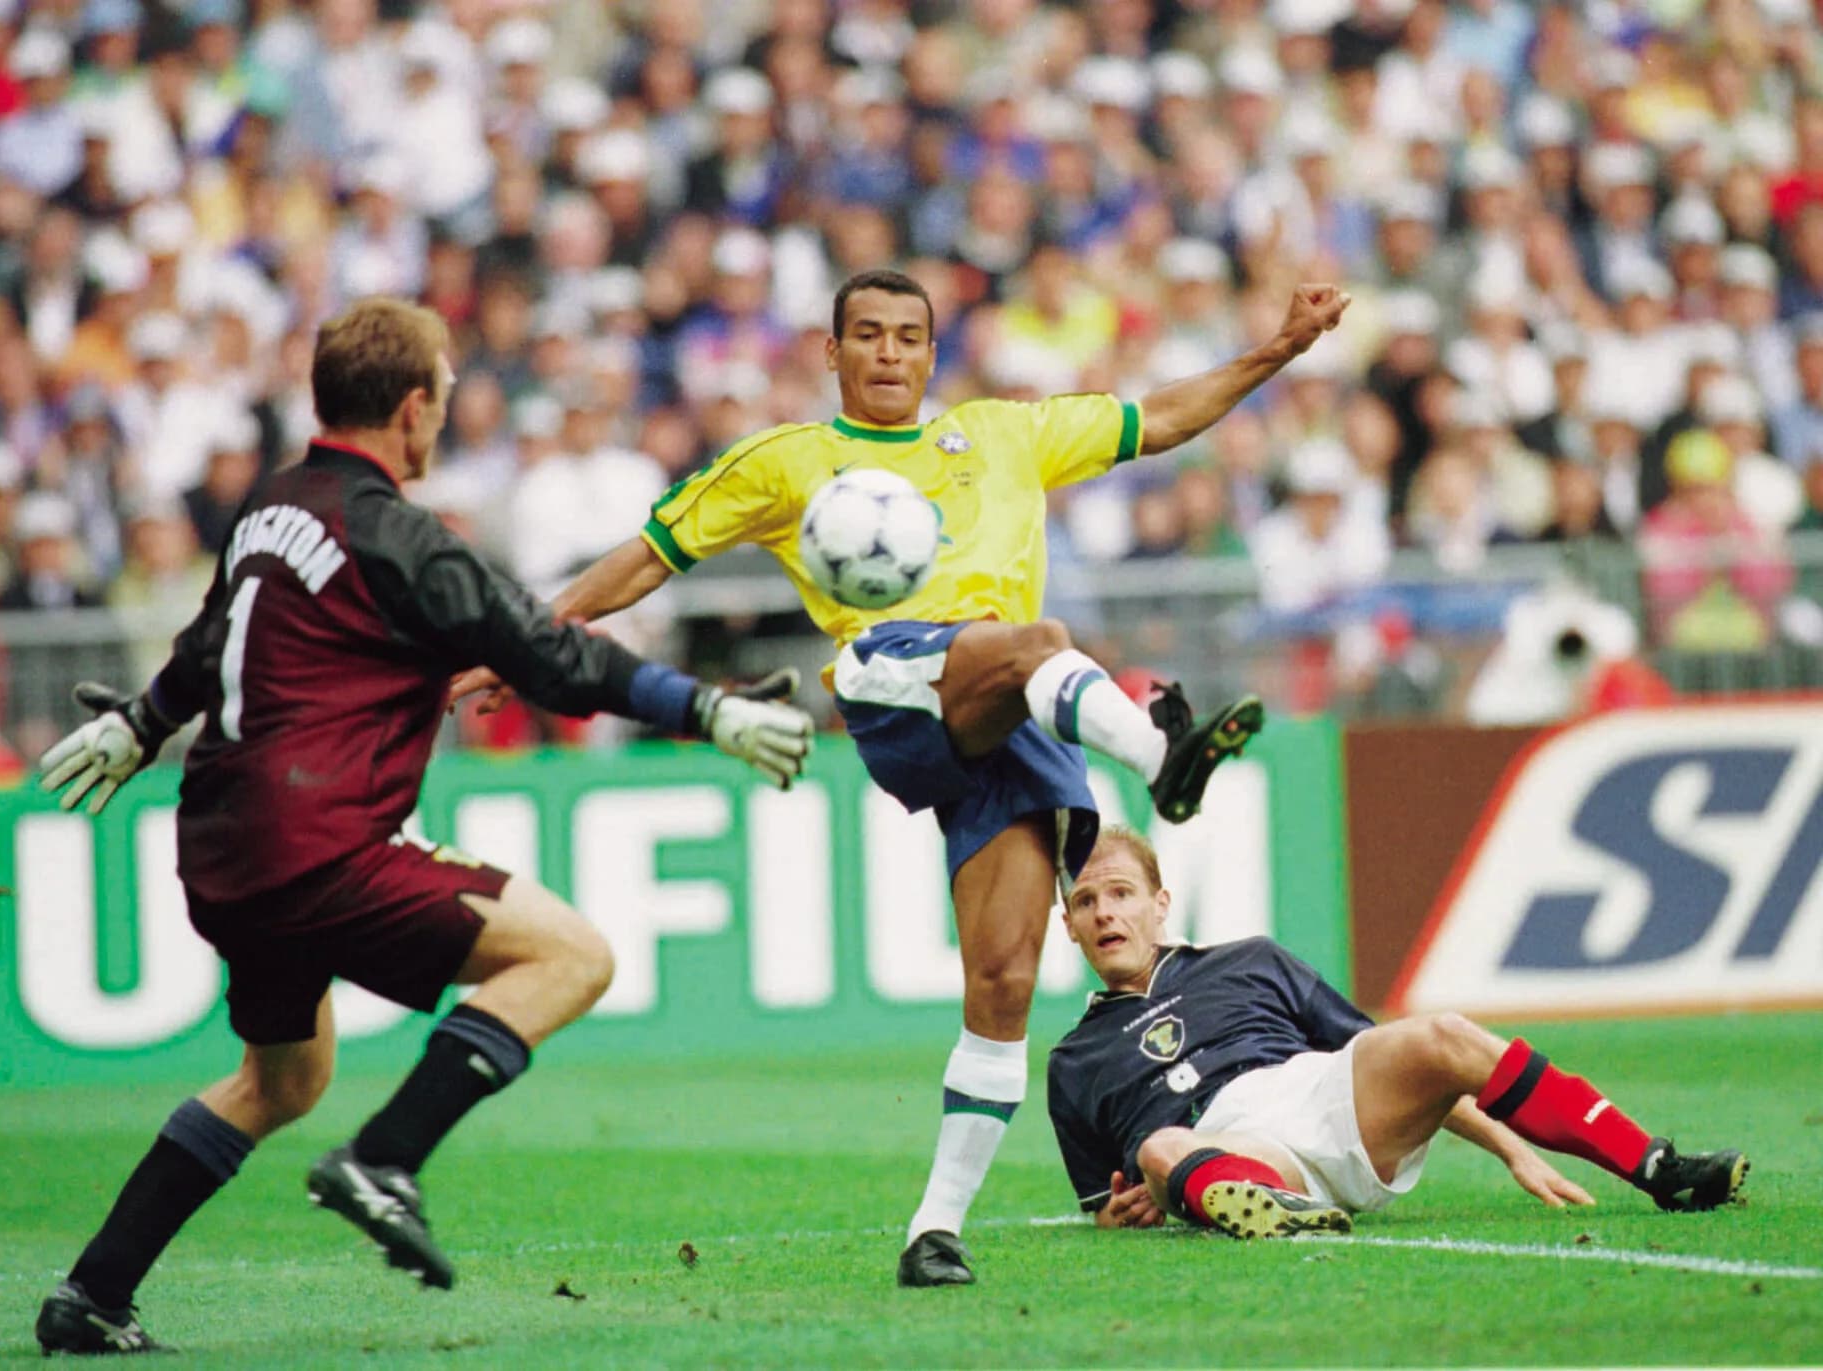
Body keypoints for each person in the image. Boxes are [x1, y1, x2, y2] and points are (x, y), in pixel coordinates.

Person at [451, 269, 1351, 1286]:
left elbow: (1164, 417)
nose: (888, 353)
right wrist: (529, 639)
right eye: (866, 336)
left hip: (1021, 719)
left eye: (907, 337)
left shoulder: (1003, 433)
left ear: (932, 352)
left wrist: (1279, 350)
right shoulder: (786, 462)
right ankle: (1157, 753)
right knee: (1035, 639)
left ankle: (933, 1232)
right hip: (897, 682)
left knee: (1004, 980)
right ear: (830, 353)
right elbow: (652, 556)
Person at [28, 299, 813, 1355]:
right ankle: (385, 1158)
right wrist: (707, 708)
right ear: (411, 408)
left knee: (282, 1079)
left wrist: (141, 721)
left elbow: (211, 634)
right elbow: (552, 655)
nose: (442, 418)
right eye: (441, 396)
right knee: (572, 957)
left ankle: (94, 1294)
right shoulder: (396, 536)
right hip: (321, 843)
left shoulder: (273, 503)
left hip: (220, 846)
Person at [1047, 827, 1750, 1238]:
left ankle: (1658, 1168)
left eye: (1120, 892)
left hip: (1322, 1094)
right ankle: (1279, 1211)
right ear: (1069, 925)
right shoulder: (1072, 1060)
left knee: (1441, 1034)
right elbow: (1101, 1206)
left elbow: (1403, 1065)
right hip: (1229, 1146)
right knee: (1163, 1146)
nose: (1106, 912)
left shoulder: (1252, 959)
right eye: (1085, 900)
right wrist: (1121, 1208)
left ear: (1160, 901)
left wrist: (1513, 1149)